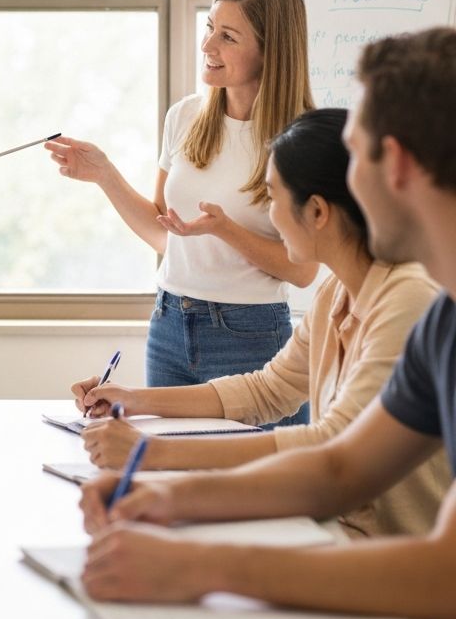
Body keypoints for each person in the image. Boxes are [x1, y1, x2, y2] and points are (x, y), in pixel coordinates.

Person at [78, 27, 456, 619]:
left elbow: (446, 576)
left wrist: (202, 567)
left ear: (399, 165)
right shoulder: (442, 319)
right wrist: (159, 495)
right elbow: (339, 468)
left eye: (354, 151)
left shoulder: (417, 303)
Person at [73, 107, 446, 538]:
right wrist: (134, 399)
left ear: (318, 212)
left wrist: (150, 451)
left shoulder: (408, 298)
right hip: (334, 528)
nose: (270, 217)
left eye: (272, 198)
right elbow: (267, 390)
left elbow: (332, 442)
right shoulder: (336, 293)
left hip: (388, 554)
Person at [48, 0, 318, 425]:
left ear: (272, 51)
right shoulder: (186, 117)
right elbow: (164, 235)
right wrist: (104, 175)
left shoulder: (300, 138)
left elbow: (302, 270)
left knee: (254, 487)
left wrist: (225, 229)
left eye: (228, 37)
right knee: (170, 477)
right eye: (210, 27)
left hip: (249, 334)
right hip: (170, 323)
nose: (207, 44)